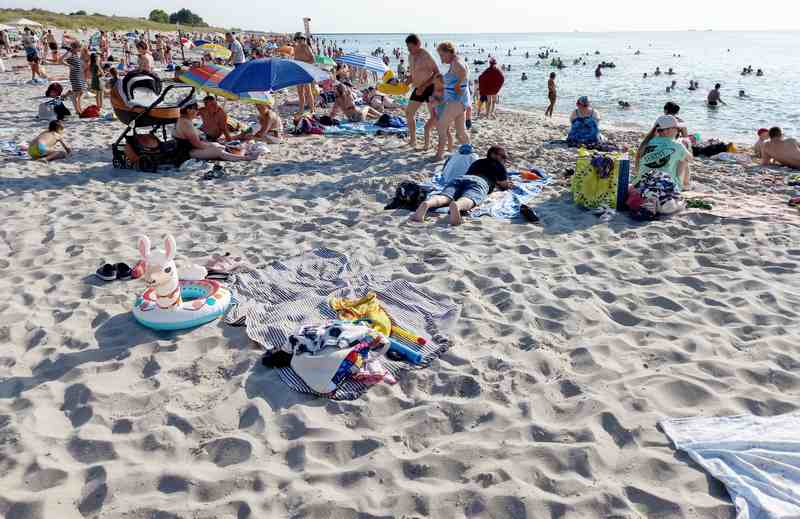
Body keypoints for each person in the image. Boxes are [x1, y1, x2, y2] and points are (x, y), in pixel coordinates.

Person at [412, 146, 513, 226]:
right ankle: (458, 205)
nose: (504, 160)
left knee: (445, 196)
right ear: (495, 156)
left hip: (461, 178)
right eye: (503, 157)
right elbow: (504, 185)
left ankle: (428, 203)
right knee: (470, 197)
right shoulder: (499, 166)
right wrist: (507, 184)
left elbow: (470, 173)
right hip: (480, 182)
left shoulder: (478, 162)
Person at [632, 115, 693, 213]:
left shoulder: (646, 143)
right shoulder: (677, 145)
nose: (679, 131)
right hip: (663, 186)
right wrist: (686, 142)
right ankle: (683, 185)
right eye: (677, 128)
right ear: (667, 131)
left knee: (679, 158)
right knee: (684, 160)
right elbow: (690, 158)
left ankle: (651, 201)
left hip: (640, 186)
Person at [173, 103, 257, 162]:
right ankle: (245, 158)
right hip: (187, 152)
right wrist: (212, 145)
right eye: (196, 109)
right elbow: (197, 144)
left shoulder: (183, 120)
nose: (197, 112)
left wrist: (212, 144)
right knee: (218, 151)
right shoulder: (186, 123)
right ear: (189, 110)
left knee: (220, 145)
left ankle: (242, 153)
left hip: (187, 148)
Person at [433, 42, 470, 162]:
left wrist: (458, 85)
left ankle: (439, 155)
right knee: (460, 133)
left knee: (441, 125)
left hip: (456, 101)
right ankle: (469, 153)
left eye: (442, 55)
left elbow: (463, 72)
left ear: (449, 52)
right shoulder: (456, 61)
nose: (441, 59)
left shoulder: (456, 62)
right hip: (461, 101)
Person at [404, 34, 439, 149]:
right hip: (418, 88)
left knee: (434, 116)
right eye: (408, 48)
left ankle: (429, 143)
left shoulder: (426, 55)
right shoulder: (410, 56)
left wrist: (424, 86)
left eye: (411, 47)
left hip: (430, 88)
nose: (409, 50)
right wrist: (407, 81)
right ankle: (413, 141)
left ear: (418, 44)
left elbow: (437, 73)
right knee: (409, 113)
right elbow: (414, 73)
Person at [292, 33, 316, 117]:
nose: (299, 40)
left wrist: (303, 64)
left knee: (308, 91)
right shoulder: (295, 47)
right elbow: (296, 59)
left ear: (303, 39)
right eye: (297, 38)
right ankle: (301, 110)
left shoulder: (306, 47)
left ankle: (312, 110)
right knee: (300, 92)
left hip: (306, 71)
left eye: (301, 38)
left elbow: (313, 60)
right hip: (298, 71)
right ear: (296, 39)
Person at [61, 41, 86, 115]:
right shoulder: (70, 54)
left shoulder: (76, 54)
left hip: (80, 75)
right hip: (75, 75)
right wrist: (69, 65)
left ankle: (79, 108)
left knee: (80, 92)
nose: (80, 49)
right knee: (78, 92)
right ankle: (78, 110)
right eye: (79, 47)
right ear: (76, 48)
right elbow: (60, 60)